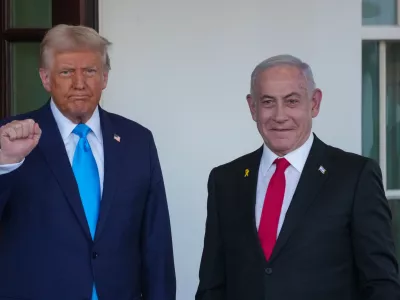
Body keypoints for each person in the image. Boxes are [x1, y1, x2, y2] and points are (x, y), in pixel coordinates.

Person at [195, 54, 400, 300]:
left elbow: (381, 283)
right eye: (268, 102)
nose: (280, 116)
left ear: (314, 103)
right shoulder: (225, 180)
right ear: (253, 107)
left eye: (292, 101)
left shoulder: (356, 176)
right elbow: (211, 284)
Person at [0, 24, 175, 300]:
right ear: (45, 78)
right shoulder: (8, 138)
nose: (79, 83)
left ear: (104, 77)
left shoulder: (137, 140)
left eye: (90, 71)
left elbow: (156, 243)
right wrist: (5, 163)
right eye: (67, 72)